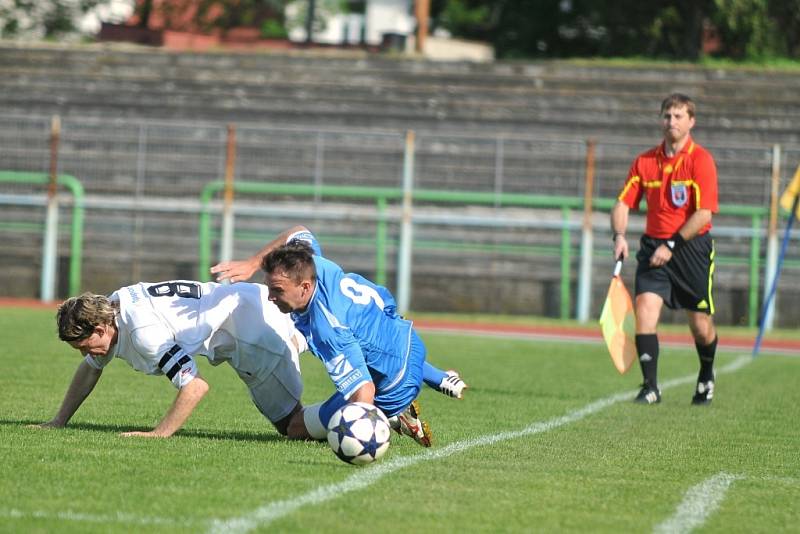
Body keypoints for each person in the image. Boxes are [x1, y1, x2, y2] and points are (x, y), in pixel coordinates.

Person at [212, 226, 459, 447]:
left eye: (277, 290)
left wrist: (359, 437)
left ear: (305, 287)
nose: (270, 297)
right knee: (367, 342)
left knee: (295, 428)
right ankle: (436, 378)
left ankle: (392, 414)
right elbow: (298, 231)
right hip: (407, 340)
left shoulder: (328, 329)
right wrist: (254, 263)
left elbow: (363, 388)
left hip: (393, 385)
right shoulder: (313, 264)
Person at [40, 280, 308, 437]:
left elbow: (195, 386)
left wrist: (159, 433)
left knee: (293, 427)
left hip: (253, 333)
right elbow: (90, 368)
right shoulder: (112, 307)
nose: (87, 354)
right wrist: (59, 421)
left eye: (85, 347)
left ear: (100, 329)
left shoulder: (145, 334)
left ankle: (349, 416)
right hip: (246, 304)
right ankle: (304, 335)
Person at [611, 93, 719, 406]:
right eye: (667, 116)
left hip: (691, 249)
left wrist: (672, 244)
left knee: (700, 326)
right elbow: (622, 203)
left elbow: (704, 214)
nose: (671, 122)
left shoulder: (701, 161)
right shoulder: (645, 161)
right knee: (644, 311)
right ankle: (650, 387)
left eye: (678, 116)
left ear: (691, 121)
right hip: (653, 247)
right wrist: (619, 235)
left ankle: (706, 374)